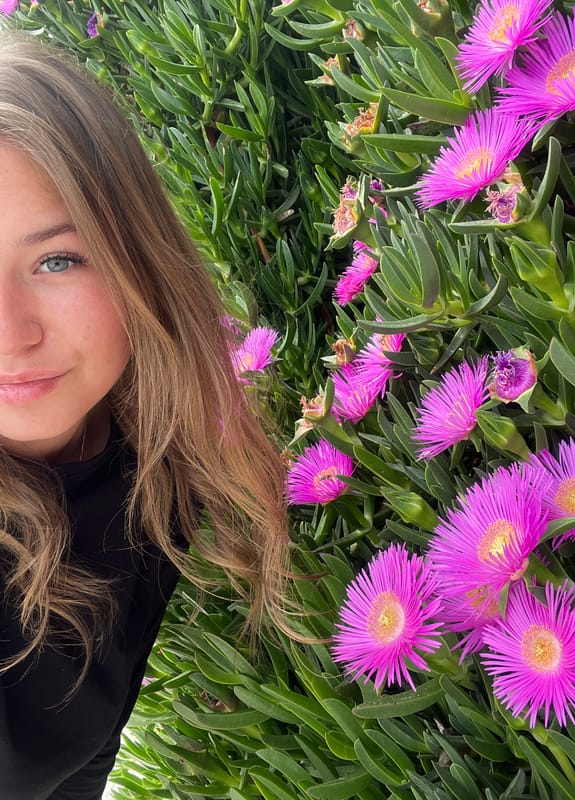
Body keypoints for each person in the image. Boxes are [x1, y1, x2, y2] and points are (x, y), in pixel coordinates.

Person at [0, 31, 290, 800]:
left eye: (57, 260)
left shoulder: (159, 468)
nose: (12, 334)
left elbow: (87, 751)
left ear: (137, 259)